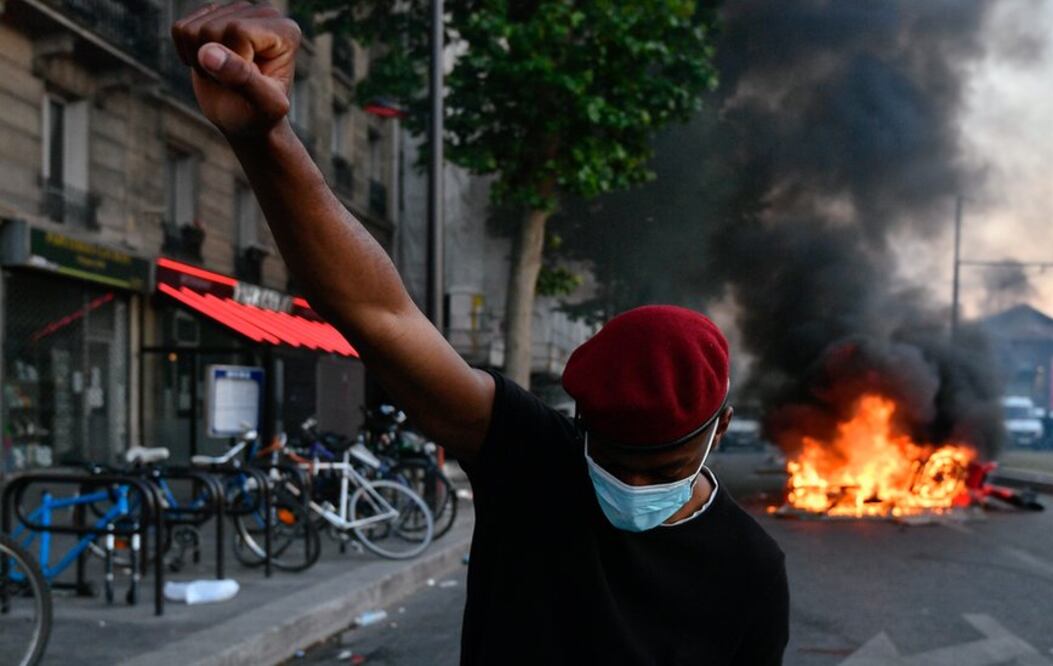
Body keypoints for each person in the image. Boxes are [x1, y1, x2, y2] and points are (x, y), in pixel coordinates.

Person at [171, 4, 790, 664]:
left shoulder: (750, 569)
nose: (634, 490)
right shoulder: (534, 459)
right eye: (613, 463)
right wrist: (267, 138)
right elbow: (378, 314)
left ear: (718, 429)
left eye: (662, 469)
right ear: (581, 422)